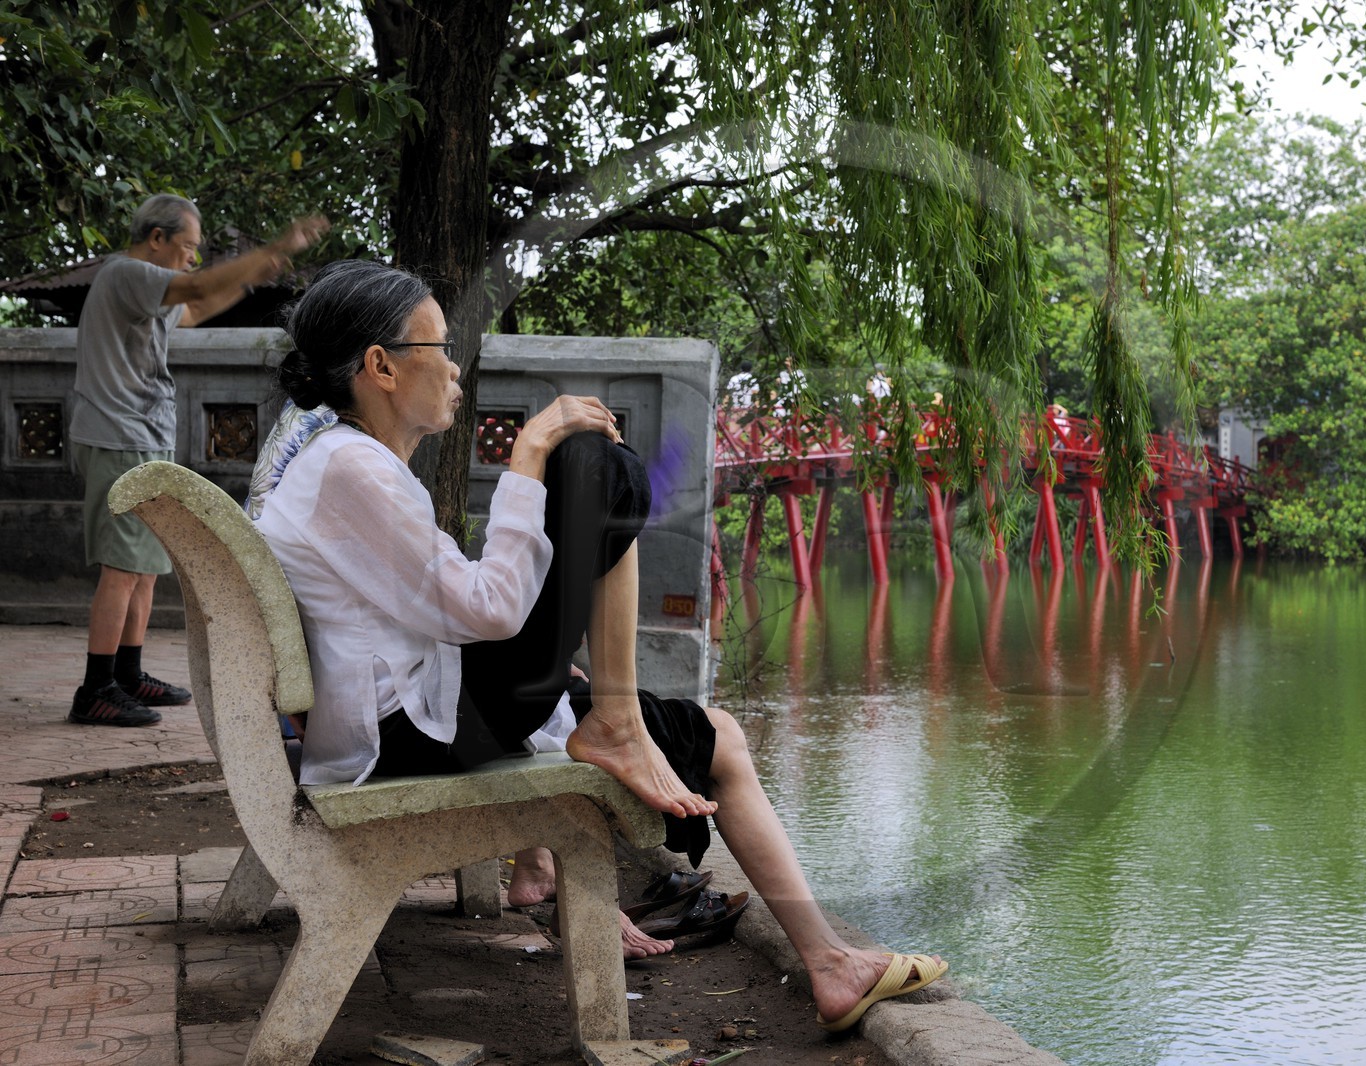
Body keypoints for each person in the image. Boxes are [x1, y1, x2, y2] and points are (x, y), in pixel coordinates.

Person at [250, 259, 946, 1029]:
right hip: (410, 734)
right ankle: (826, 958)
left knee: (708, 725)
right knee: (594, 462)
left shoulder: (342, 462)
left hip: (411, 716)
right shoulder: (351, 468)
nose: (454, 366)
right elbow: (489, 611)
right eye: (439, 347)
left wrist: (558, 665)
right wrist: (530, 448)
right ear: (380, 366)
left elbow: (438, 611)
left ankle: (596, 788)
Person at [68, 193, 328, 727]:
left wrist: (259, 270)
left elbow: (200, 307)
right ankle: (95, 688)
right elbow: (202, 286)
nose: (192, 258)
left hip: (139, 433)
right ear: (156, 238)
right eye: (187, 246)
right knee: (122, 570)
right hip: (118, 436)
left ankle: (128, 673)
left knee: (143, 569)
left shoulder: (147, 294)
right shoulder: (128, 273)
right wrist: (275, 246)